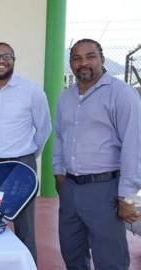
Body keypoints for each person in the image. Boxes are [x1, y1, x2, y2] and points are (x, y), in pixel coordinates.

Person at [53, 38, 141, 270]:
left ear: (102, 59)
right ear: (70, 63)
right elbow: (60, 138)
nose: (83, 63)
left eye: (90, 56)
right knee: (72, 253)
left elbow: (134, 146)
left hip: (105, 191)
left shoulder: (122, 94)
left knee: (110, 260)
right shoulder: (66, 97)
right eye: (76, 58)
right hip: (70, 189)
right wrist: (58, 174)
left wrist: (127, 197)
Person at [0, 42, 51, 263]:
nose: (1, 61)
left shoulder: (32, 90)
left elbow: (44, 128)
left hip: (21, 165)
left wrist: (27, 157)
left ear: (14, 60)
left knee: (24, 226)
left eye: (6, 56)